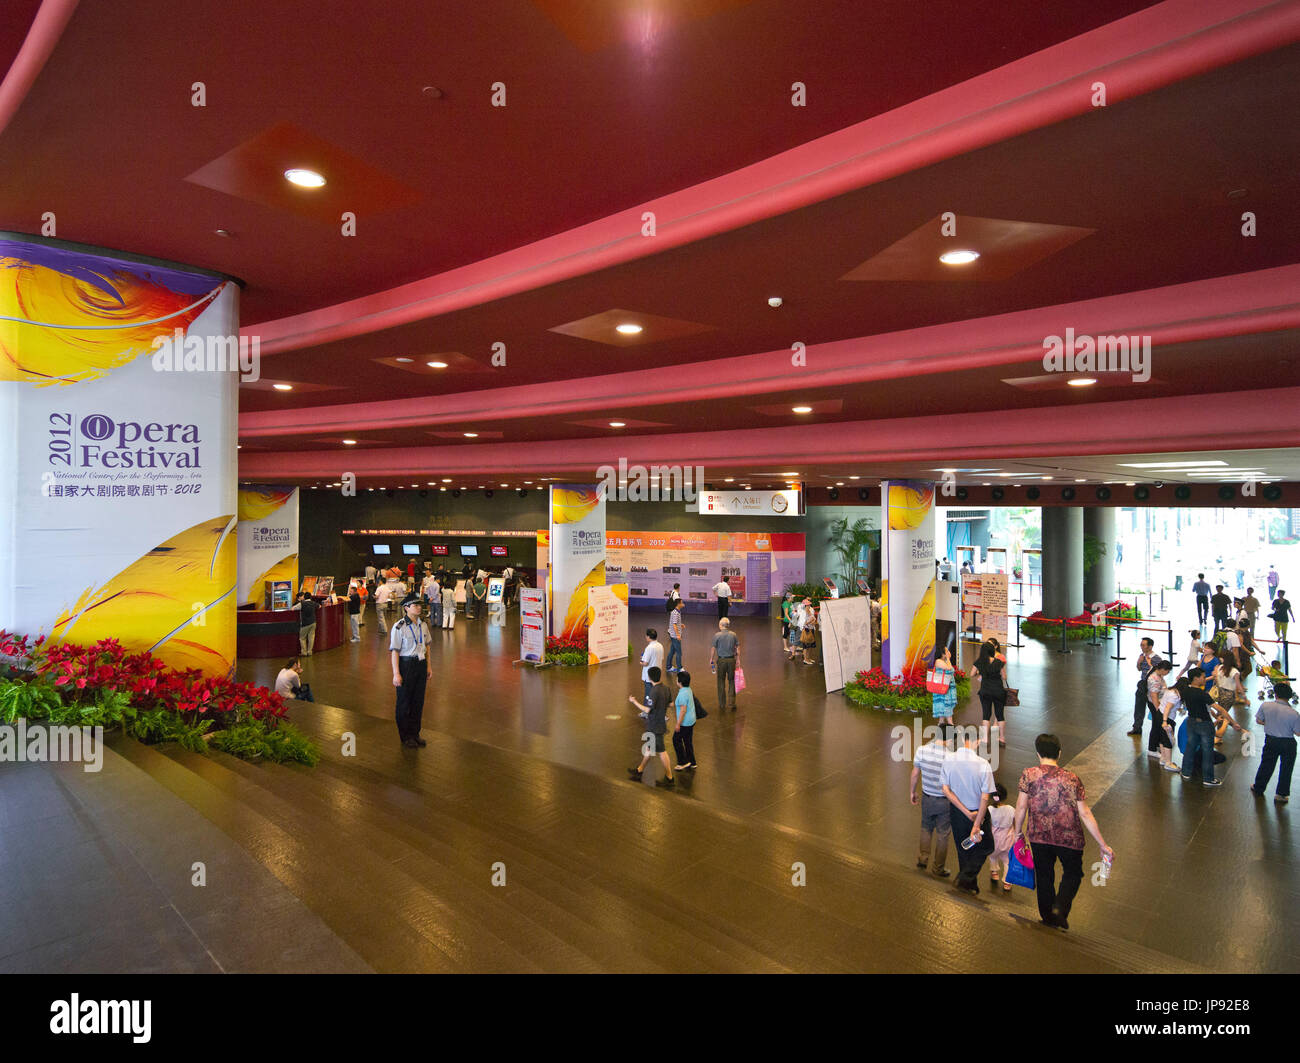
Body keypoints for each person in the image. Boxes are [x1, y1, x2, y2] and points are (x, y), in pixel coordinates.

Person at [1013, 733, 1113, 931]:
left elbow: (1021, 807)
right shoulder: (1072, 778)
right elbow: (1084, 813)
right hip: (1069, 837)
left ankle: (1048, 916)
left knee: (1044, 875)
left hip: (1039, 835)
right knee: (1073, 873)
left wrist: (1018, 833)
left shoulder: (1028, 774)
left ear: (1037, 753)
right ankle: (1060, 908)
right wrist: (1103, 844)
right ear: (1059, 753)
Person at [940, 729, 996, 895]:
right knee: (986, 846)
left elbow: (945, 790)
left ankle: (970, 884)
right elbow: (985, 798)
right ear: (977, 741)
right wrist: (977, 822)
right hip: (978, 812)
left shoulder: (949, 759)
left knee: (963, 848)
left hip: (958, 813)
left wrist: (964, 812)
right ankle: (965, 878)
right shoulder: (983, 764)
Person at [1180, 667, 1245, 786]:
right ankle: (1208, 778)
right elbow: (1219, 709)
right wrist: (1233, 723)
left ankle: (1186, 772)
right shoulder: (1201, 694)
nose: (1205, 679)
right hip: (1204, 724)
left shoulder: (1185, 691)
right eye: (1203, 677)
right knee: (1207, 751)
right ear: (1196, 678)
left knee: (1190, 748)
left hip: (1191, 722)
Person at [909, 725, 952, 879]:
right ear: (949, 739)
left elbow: (915, 774)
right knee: (943, 834)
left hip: (927, 797)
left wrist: (912, 792)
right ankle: (938, 868)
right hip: (945, 801)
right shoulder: (950, 756)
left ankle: (922, 859)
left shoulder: (922, 750)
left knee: (926, 828)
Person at [389, 593, 431, 749]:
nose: (419, 607)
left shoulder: (423, 625)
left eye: (420, 605)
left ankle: (415, 734)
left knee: (418, 702)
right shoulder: (399, 626)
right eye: (415, 605)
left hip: (420, 664)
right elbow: (395, 651)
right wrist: (396, 673)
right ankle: (405, 736)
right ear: (406, 608)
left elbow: (427, 646)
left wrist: (428, 666)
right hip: (406, 666)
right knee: (404, 702)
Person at [627, 666, 674, 789]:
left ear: (649, 677)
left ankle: (670, 778)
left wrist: (634, 702)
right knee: (649, 748)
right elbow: (670, 704)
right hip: (660, 724)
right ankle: (640, 770)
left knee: (662, 752)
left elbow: (647, 710)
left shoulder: (654, 691)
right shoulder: (666, 688)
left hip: (655, 725)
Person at [1252, 683, 1299, 804]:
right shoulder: (1294, 713)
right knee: (1286, 768)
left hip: (1271, 740)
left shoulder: (1266, 705)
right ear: (1289, 697)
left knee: (1266, 764)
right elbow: (1298, 733)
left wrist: (1269, 724)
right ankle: (1281, 795)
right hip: (1288, 743)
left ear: (1276, 694)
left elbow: (1259, 720)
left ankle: (1258, 787)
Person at [972, 639, 1008, 748]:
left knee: (986, 715)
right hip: (998, 691)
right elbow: (1004, 677)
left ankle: (985, 739)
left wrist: (980, 672)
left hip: (985, 691)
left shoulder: (979, 662)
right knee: (1000, 715)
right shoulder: (998, 662)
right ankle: (1002, 738)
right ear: (992, 650)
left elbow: (972, 673)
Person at [987, 784, 1015, 894]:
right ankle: (1007, 882)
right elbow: (1015, 823)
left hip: (994, 838)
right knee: (1007, 860)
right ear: (1005, 796)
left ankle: (994, 873)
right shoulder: (1011, 809)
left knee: (993, 856)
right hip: (1007, 838)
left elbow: (987, 824)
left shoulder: (989, 809)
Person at [709, 617, 740, 710]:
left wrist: (711, 659)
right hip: (731, 660)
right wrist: (738, 659)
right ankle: (732, 703)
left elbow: (713, 648)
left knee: (721, 681)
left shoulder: (717, 635)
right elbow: (737, 648)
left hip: (721, 661)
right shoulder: (733, 635)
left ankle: (722, 704)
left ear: (721, 625)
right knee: (731, 681)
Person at [1155, 678, 1185, 772]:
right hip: (1166, 718)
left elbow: (1168, 704)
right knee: (1168, 740)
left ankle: (1163, 759)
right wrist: (1165, 721)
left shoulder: (1170, 690)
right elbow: (1168, 708)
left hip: (1159, 714)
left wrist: (1178, 709)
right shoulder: (1175, 695)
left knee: (1162, 738)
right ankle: (1168, 763)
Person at [1145, 660, 1173, 757]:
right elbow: (1154, 696)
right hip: (1155, 705)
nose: (1168, 673)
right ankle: (1152, 748)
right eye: (1167, 671)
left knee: (1157, 725)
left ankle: (1156, 745)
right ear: (1162, 669)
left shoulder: (1158, 675)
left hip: (1158, 703)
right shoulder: (1155, 679)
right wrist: (1158, 711)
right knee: (1156, 726)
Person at [1129, 637, 1156, 736]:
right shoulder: (1142, 655)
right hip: (1142, 684)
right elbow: (1139, 669)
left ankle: (1157, 729)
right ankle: (1137, 727)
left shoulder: (1155, 658)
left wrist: (1150, 664)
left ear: (1150, 646)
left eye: (1143, 645)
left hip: (1152, 686)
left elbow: (1159, 672)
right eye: (1141, 645)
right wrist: (1138, 662)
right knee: (1139, 707)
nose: (1142, 647)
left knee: (1153, 708)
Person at [671, 669, 697, 771]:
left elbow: (683, 710)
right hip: (691, 721)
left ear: (680, 682)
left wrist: (678, 724)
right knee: (687, 741)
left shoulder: (682, 694)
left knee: (676, 739)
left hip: (684, 723)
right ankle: (692, 761)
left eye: (677, 678)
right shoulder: (688, 690)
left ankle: (683, 762)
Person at [930, 644, 957, 727]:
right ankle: (950, 727)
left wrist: (948, 659)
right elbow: (949, 668)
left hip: (948, 689)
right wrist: (948, 658)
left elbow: (951, 669)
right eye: (947, 651)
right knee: (946, 708)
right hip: (942, 690)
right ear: (942, 654)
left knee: (944, 710)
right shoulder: (938, 661)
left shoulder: (945, 661)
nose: (949, 652)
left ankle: (941, 727)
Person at [640, 628, 665, 707]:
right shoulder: (660, 645)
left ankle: (646, 712)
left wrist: (641, 662)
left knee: (648, 694)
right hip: (657, 674)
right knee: (656, 694)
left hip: (649, 675)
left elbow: (645, 663)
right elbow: (662, 658)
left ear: (648, 637)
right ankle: (658, 710)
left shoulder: (649, 648)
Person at [665, 600, 684, 674]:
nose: (683, 604)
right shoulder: (675, 613)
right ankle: (680, 668)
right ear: (678, 604)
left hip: (673, 635)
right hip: (675, 636)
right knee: (679, 652)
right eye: (682, 603)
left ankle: (668, 667)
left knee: (672, 651)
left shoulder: (676, 612)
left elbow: (676, 623)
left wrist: (681, 624)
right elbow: (674, 624)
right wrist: (678, 635)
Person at [298, 591, 317, 656]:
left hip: (305, 623)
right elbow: (319, 606)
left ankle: (304, 652)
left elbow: (293, 608)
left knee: (302, 638)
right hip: (313, 622)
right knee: (311, 638)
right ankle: (309, 652)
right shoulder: (313, 603)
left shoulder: (302, 604)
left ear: (304, 597)